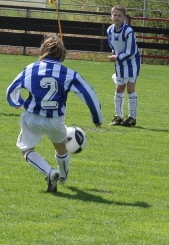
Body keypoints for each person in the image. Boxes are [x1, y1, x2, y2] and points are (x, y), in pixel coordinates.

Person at [6, 34, 103, 192]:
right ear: (62, 53)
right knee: (61, 149)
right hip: (55, 120)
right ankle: (63, 176)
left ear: (43, 50)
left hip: (32, 117)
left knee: (27, 150)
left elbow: (11, 89)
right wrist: (97, 118)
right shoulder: (69, 73)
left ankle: (50, 172)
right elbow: (89, 95)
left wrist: (17, 102)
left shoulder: (30, 68)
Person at [106, 5, 141, 127]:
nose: (116, 17)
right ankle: (118, 116)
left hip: (132, 63)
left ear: (124, 18)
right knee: (119, 88)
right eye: (114, 15)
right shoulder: (109, 30)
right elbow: (112, 46)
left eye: (119, 15)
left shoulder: (128, 31)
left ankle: (132, 118)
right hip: (120, 63)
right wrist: (114, 56)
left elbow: (131, 51)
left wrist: (117, 57)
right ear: (111, 16)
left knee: (130, 88)